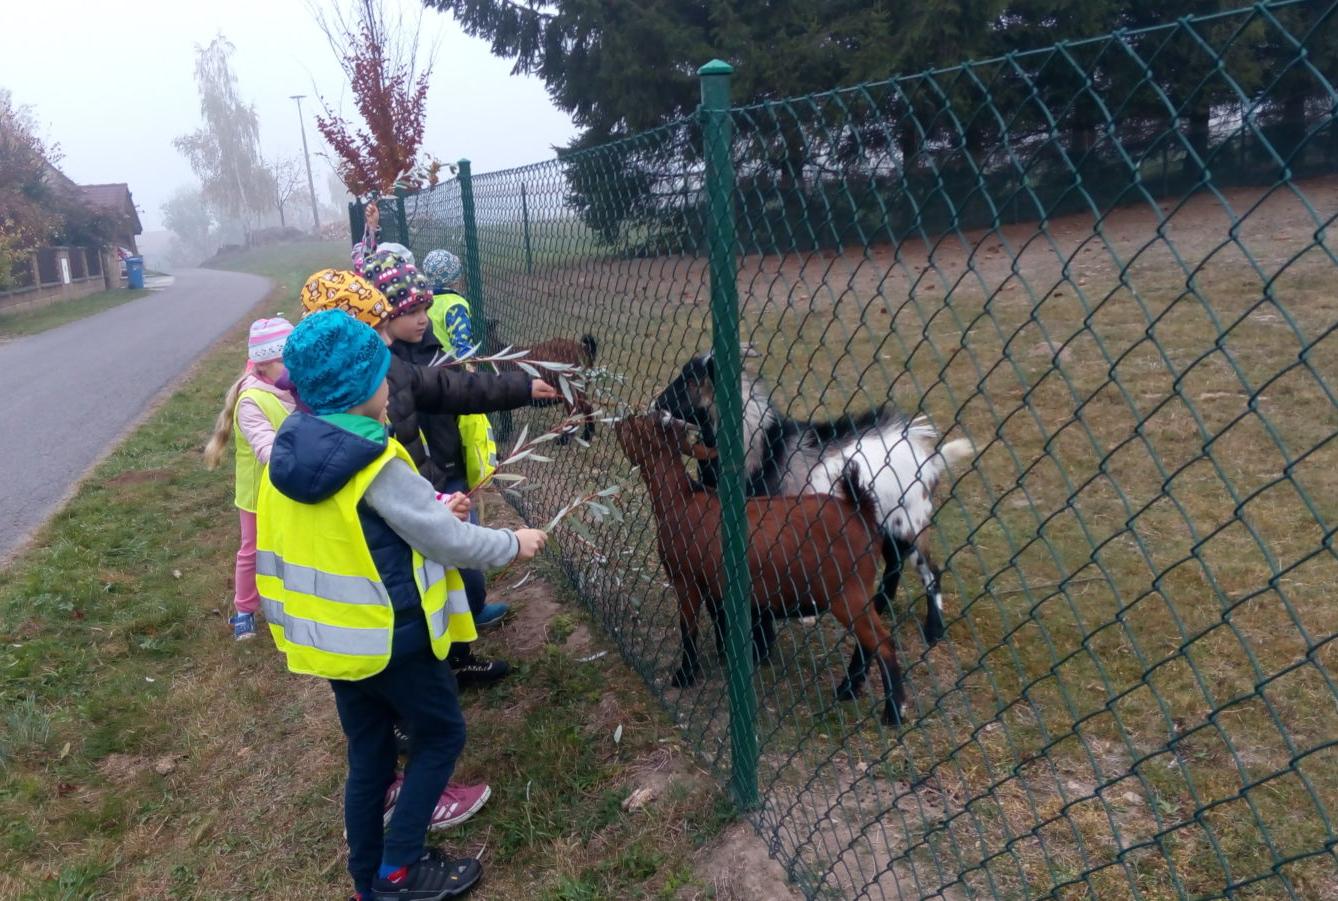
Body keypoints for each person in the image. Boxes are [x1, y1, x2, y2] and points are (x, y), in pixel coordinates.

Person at [256, 309, 547, 901]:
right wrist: (512, 545)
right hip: (393, 640)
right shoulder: (376, 461)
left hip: (333, 645)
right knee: (440, 737)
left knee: (369, 755)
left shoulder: (290, 454)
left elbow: (365, 526)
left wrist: (431, 503)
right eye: (383, 376)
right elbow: (446, 541)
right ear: (365, 390)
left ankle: (367, 878)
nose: (392, 385)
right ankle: (400, 869)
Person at [299, 267, 560, 686]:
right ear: (348, 346)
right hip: (392, 529)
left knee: (457, 586)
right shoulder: (349, 413)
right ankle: (418, 697)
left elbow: (452, 388)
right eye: (377, 330)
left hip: (422, 498)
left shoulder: (390, 372)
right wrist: (504, 540)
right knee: (422, 600)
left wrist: (521, 387)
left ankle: (452, 661)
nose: (387, 340)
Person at [203, 316, 297, 641]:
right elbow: (267, 449)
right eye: (287, 360)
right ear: (264, 365)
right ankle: (244, 609)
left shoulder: (290, 388)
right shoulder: (251, 401)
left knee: (288, 549)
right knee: (253, 550)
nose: (295, 367)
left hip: (290, 488)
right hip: (259, 495)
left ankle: (288, 603)